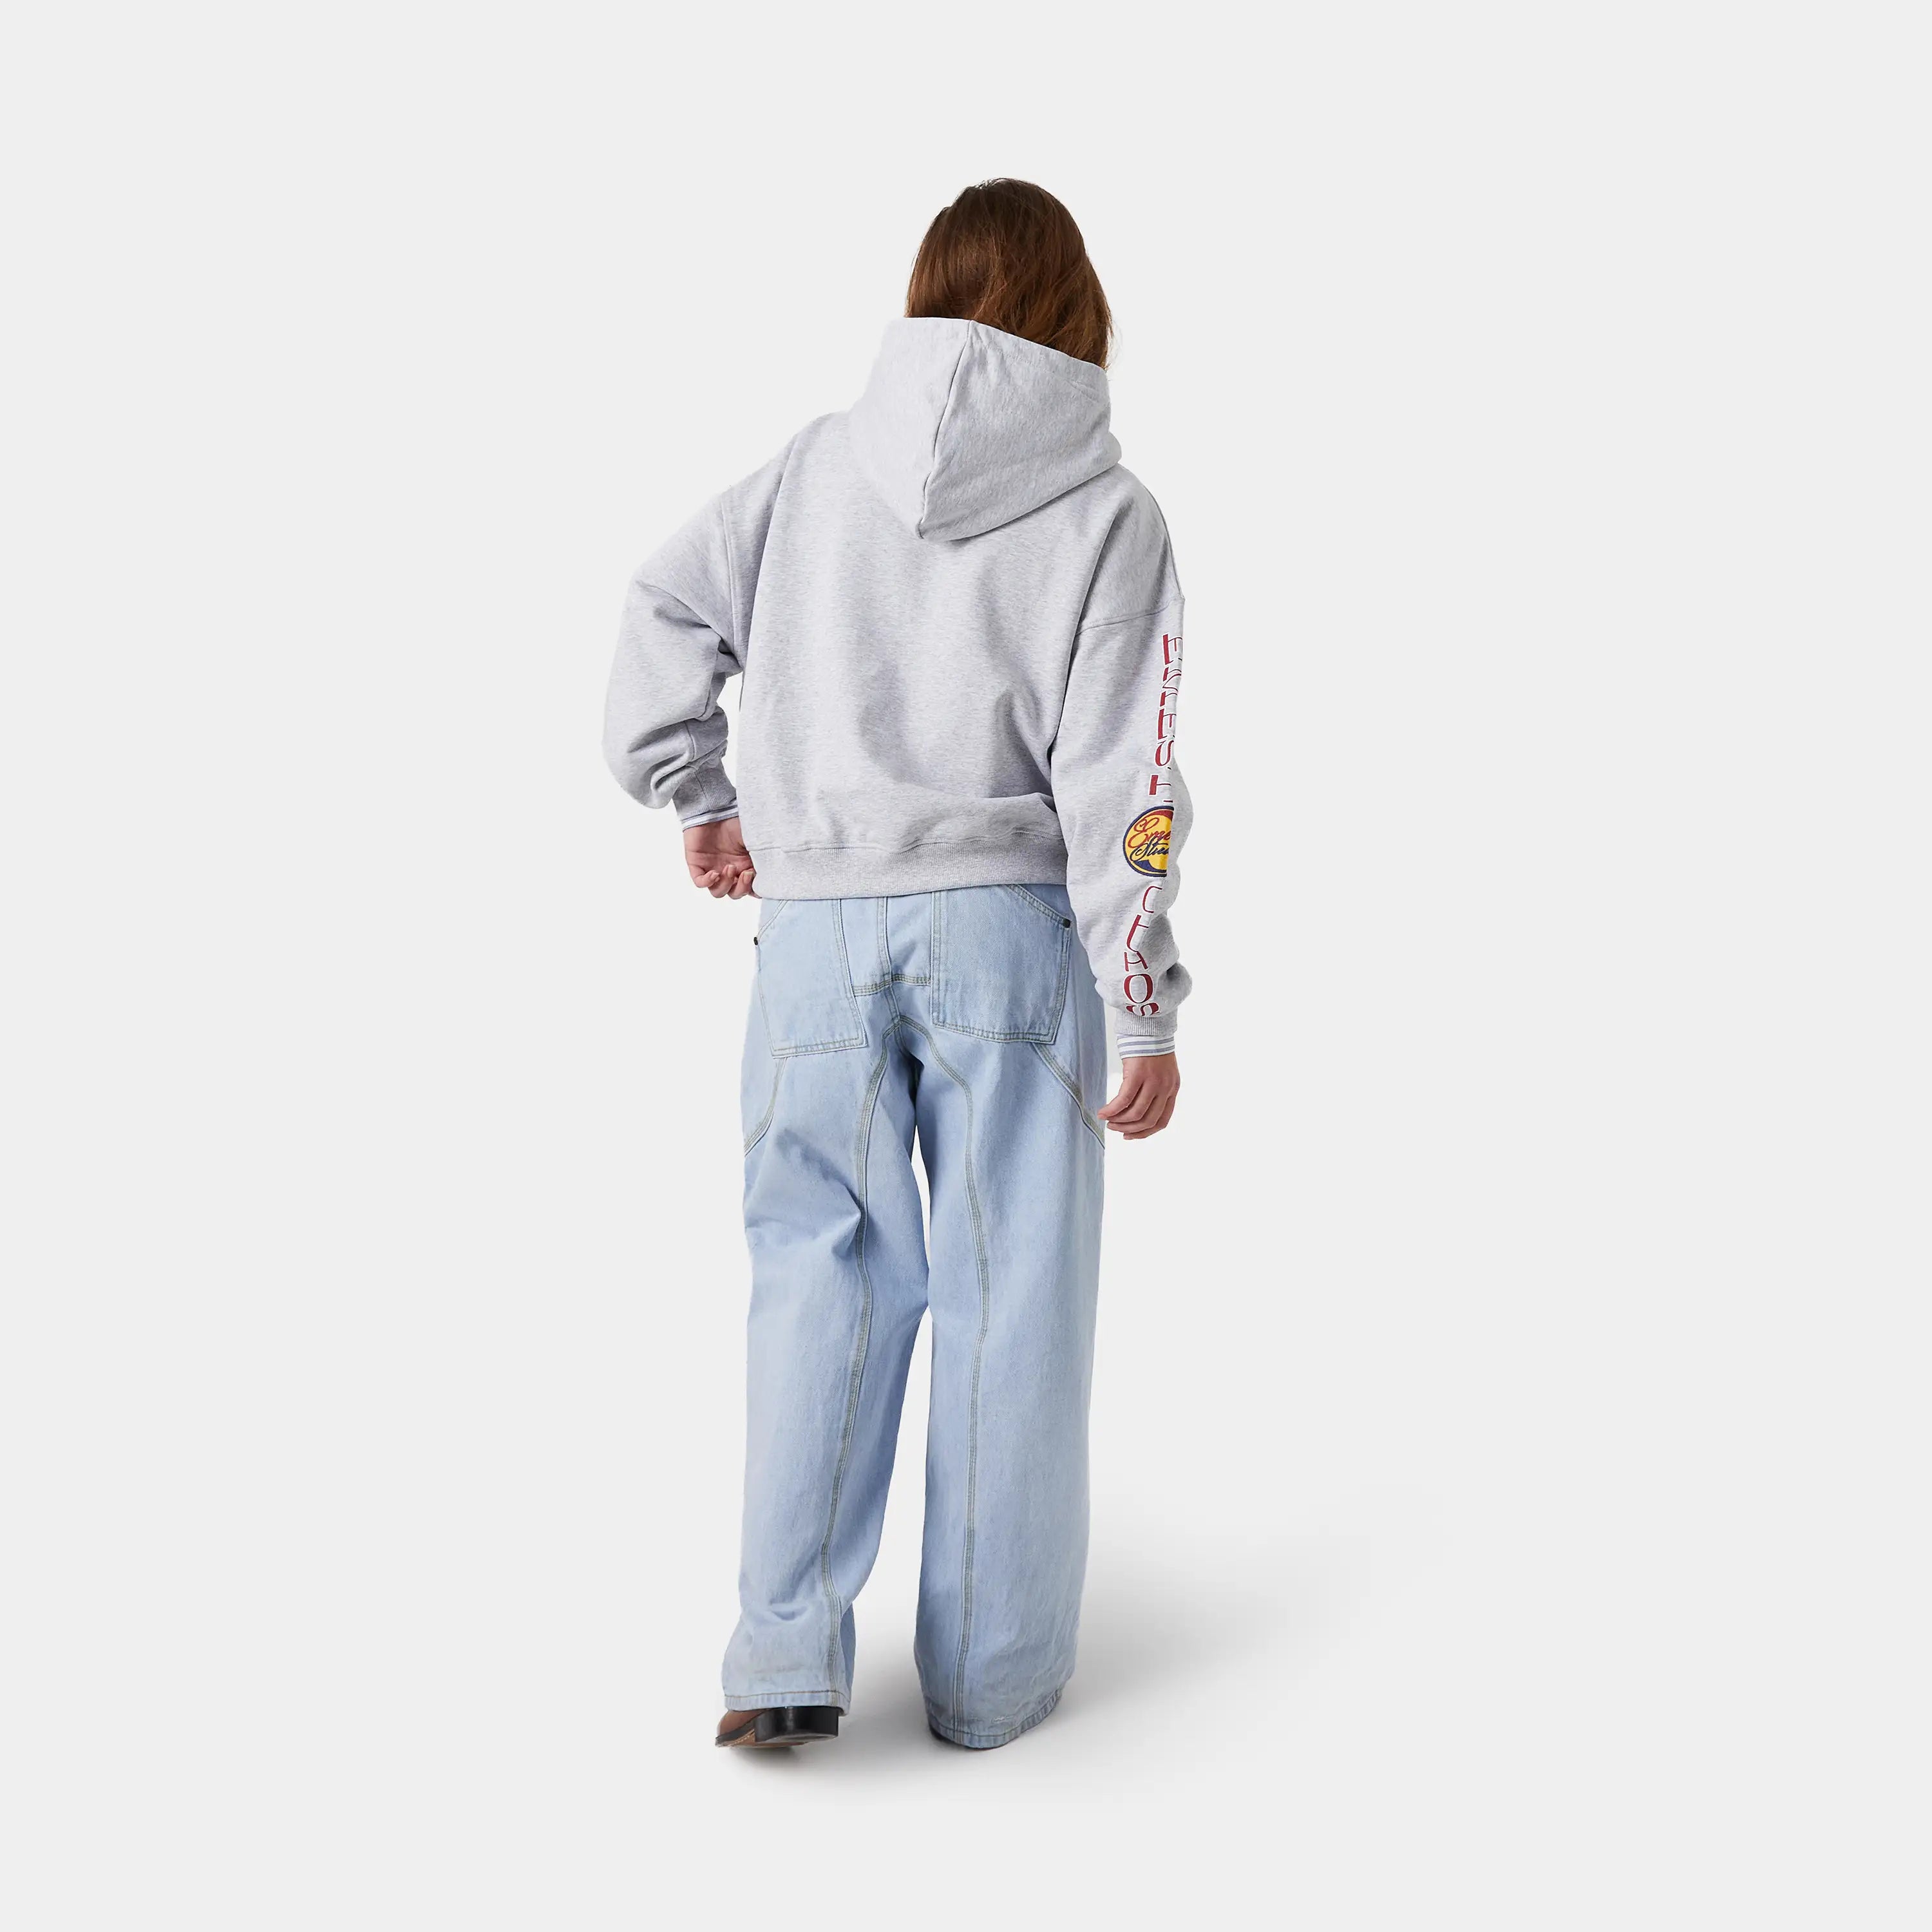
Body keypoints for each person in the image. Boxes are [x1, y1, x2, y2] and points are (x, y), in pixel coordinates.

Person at [604, 180, 1191, 1752]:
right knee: (1013, 1297)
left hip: (813, 937)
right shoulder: (1108, 512)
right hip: (1005, 936)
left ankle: (781, 1652)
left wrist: (700, 794)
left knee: (817, 1271)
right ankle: (991, 1681)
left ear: (925, 290)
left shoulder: (815, 467)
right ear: (1077, 307)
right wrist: (1139, 995)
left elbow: (663, 607)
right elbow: (1123, 777)